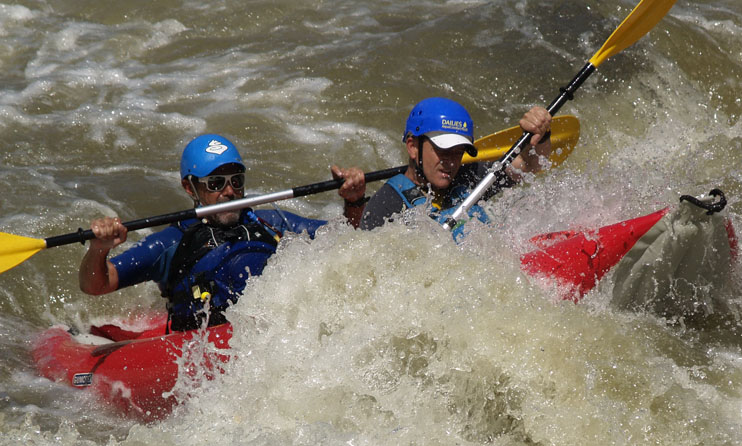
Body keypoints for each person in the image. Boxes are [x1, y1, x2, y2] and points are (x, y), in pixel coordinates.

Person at [80, 134, 367, 331]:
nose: (229, 191)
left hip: (276, 331)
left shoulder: (272, 222)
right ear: (190, 187)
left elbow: (347, 239)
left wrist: (353, 201)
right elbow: (97, 285)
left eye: (236, 181)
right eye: (216, 183)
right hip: (204, 342)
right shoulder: (172, 242)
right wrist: (99, 248)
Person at [359, 97, 552, 233]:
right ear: (412, 147)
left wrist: (541, 135)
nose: (451, 162)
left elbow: (528, 166)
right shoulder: (385, 205)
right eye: (443, 150)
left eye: (458, 152)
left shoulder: (470, 176)